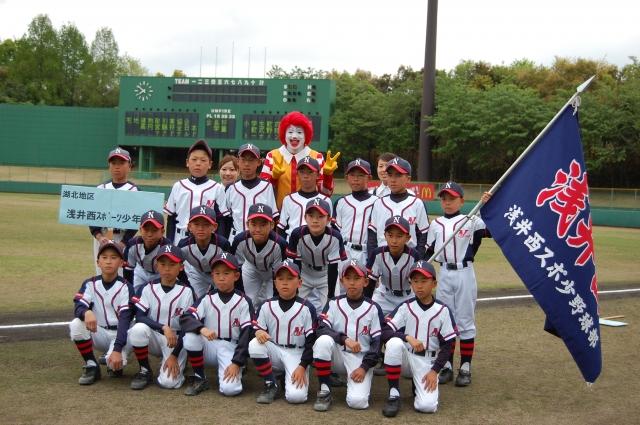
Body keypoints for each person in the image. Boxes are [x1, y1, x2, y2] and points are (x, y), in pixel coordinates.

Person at [425, 182, 492, 387]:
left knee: (464, 321)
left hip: (464, 273)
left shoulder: (471, 221)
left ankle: (465, 367)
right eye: (444, 198)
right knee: (445, 320)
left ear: (461, 201)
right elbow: (428, 252)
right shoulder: (435, 225)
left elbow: (493, 230)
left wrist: (486, 206)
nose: (447, 202)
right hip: (444, 273)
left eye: (452, 198)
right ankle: (445, 366)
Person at [381, 261, 456, 417]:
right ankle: (394, 394)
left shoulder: (443, 310)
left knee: (426, 406)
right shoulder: (405, 307)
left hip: (428, 363)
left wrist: (435, 371)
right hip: (407, 357)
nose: (419, 286)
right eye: (415, 281)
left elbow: (448, 345)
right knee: (394, 343)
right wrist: (407, 337)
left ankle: (418, 386)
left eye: (424, 281)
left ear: (434, 283)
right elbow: (385, 331)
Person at [312, 259, 384, 411]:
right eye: (348, 278)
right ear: (341, 281)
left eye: (357, 278)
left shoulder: (373, 308)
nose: (352, 283)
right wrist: (344, 339)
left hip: (360, 359)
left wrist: (364, 367)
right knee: (323, 341)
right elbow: (320, 328)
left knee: (357, 402)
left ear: (365, 282)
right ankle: (324, 390)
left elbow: (377, 343)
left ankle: (358, 384)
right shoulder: (333, 303)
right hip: (336, 355)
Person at [180, 253, 254, 396]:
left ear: (236, 276)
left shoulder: (244, 301)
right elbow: (186, 317)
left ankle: (239, 369)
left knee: (230, 390)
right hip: (210, 345)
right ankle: (200, 377)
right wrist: (201, 328)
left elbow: (247, 334)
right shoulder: (207, 298)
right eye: (217, 273)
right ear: (212, 276)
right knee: (190, 337)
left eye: (226, 273)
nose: (221, 277)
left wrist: (237, 362)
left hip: (231, 348)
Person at [128, 245, 195, 390]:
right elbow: (139, 316)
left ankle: (179, 363)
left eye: (172, 264)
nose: (167, 268)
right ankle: (144, 370)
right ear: (156, 265)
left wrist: (174, 355)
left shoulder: (187, 292)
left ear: (181, 267)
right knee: (138, 329)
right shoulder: (147, 288)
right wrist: (163, 328)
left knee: (169, 383)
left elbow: (188, 327)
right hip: (154, 336)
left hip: (176, 341)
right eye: (163, 264)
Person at [249, 260, 317, 404]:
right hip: (274, 350)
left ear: (299, 283)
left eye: (290, 278)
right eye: (280, 279)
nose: (284, 283)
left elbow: (311, 342)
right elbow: (254, 328)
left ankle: (284, 375)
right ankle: (270, 383)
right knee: (255, 344)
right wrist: (257, 332)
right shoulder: (266, 305)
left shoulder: (307, 308)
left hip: (297, 354)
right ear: (275, 283)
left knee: (296, 397)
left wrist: (303, 366)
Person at [69, 241, 134, 385]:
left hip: (121, 335)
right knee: (76, 325)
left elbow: (125, 320)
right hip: (99, 333)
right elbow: (78, 306)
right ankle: (92, 365)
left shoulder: (126, 287)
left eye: (113, 257)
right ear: (98, 262)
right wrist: (86, 312)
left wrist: (117, 349)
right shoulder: (89, 283)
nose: (108, 262)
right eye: (104, 257)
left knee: (115, 365)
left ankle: (114, 358)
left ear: (121, 262)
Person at [260, 111, 340, 209]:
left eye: (299, 132)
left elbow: (326, 194)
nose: (294, 136)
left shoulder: (317, 157)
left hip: (308, 216)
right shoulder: (272, 156)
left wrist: (327, 176)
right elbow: (263, 193)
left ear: (306, 135)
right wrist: (274, 178)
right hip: (280, 218)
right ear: (283, 134)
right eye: (290, 132)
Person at [286, 198, 347, 312]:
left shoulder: (335, 236)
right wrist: (296, 287)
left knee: (331, 309)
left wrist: (330, 296)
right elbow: (296, 263)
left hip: (325, 274)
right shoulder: (297, 234)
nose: (315, 220)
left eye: (320, 216)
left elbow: (333, 269)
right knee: (296, 307)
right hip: (304, 272)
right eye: (311, 216)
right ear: (305, 217)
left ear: (328, 219)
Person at [164, 139, 230, 243]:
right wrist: (169, 243)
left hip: (207, 241)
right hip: (180, 237)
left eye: (203, 160)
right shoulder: (178, 186)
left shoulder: (217, 188)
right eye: (194, 159)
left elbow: (221, 220)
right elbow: (171, 218)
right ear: (187, 162)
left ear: (210, 164)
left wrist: (219, 244)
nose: (198, 163)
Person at [367, 157, 429, 259]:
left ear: (408, 179)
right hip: (383, 258)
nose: (393, 179)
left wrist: (418, 261)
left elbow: (423, 237)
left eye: (398, 175)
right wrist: (373, 260)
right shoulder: (379, 203)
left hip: (409, 258)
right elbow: (372, 237)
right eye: (390, 175)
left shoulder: (417, 203)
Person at [90, 147, 138, 275]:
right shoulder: (100, 188)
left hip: (123, 237)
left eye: (121, 163)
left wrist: (124, 242)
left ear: (129, 166)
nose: (117, 167)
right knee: (101, 274)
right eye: (113, 163)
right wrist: (99, 236)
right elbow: (92, 216)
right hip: (103, 236)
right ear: (109, 166)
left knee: (122, 276)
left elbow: (137, 220)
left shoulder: (135, 191)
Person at [230, 203, 287, 308]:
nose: (258, 229)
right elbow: (235, 268)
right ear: (247, 224)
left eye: (263, 224)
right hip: (251, 268)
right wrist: (240, 293)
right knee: (247, 302)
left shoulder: (280, 244)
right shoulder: (239, 240)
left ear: (272, 225)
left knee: (272, 304)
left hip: (272, 272)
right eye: (254, 224)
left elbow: (279, 273)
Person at [225, 143, 279, 242]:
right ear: (238, 161)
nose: (246, 164)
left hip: (261, 239)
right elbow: (226, 220)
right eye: (243, 159)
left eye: (251, 160)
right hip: (236, 238)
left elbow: (273, 219)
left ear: (258, 162)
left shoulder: (268, 187)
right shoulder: (230, 188)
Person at [367, 216, 421, 313]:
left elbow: (418, 283)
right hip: (384, 297)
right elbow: (370, 283)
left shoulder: (414, 255)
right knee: (369, 312)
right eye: (390, 235)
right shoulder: (377, 253)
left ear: (407, 238)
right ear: (385, 235)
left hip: (407, 297)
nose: (394, 241)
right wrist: (366, 306)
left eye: (399, 236)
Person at [177, 206, 231, 300]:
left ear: (214, 227)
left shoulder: (223, 244)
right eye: (196, 224)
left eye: (206, 224)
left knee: (220, 299)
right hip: (197, 273)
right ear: (190, 227)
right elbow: (177, 267)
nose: (201, 228)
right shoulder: (183, 245)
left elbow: (230, 267)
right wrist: (187, 284)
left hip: (219, 274)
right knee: (195, 300)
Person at [333, 158, 377, 267]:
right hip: (344, 250)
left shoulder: (378, 202)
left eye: (361, 175)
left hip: (366, 251)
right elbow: (335, 231)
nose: (356, 179)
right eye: (352, 175)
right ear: (347, 178)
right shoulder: (341, 202)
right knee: (341, 283)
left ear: (369, 178)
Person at [277, 156, 332, 241]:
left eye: (310, 172)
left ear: (318, 175)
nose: (306, 176)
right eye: (302, 172)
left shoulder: (326, 200)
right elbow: (281, 229)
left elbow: (329, 229)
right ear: (297, 174)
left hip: (318, 247)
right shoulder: (288, 199)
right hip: (293, 245)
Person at [123, 210, 172, 291]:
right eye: (146, 229)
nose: (149, 234)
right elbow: (128, 272)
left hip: (160, 274)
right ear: (140, 229)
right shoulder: (132, 245)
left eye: (154, 230)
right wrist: (130, 292)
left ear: (162, 231)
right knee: (134, 296)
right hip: (140, 272)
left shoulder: (167, 246)